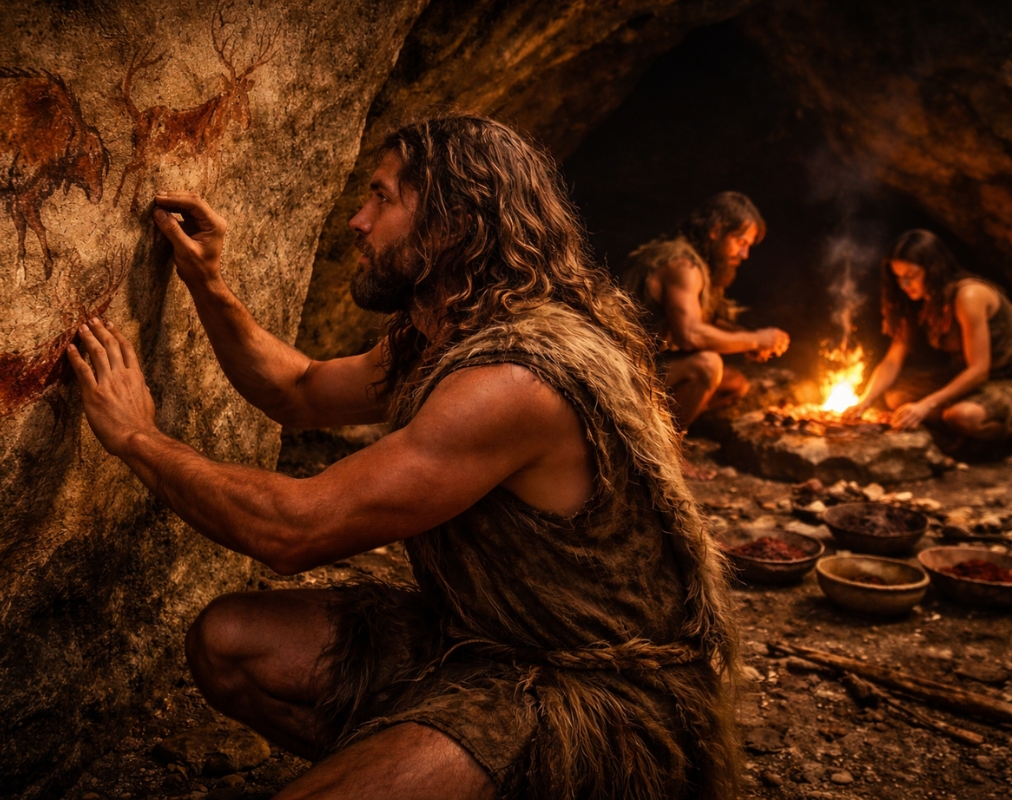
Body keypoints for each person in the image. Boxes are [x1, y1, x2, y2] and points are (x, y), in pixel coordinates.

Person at [66, 116, 740, 800]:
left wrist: (136, 438)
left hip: (593, 700)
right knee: (230, 642)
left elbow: (293, 531)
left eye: (383, 198)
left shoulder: (514, 380)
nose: (359, 222)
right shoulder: (446, 335)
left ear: (455, 221)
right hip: (479, 645)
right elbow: (299, 391)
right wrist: (204, 279)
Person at [621, 193, 790, 455]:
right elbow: (690, 334)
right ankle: (661, 454)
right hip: (622, 372)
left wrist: (747, 337)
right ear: (716, 231)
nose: (744, 254)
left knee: (734, 384)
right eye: (740, 242)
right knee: (707, 366)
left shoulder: (699, 264)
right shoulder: (683, 265)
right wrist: (758, 339)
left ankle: (646, 431)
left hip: (647, 367)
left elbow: (706, 320)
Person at [845, 229, 1012, 441]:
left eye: (911, 277)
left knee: (961, 415)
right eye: (898, 278)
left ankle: (997, 439)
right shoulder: (920, 301)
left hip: (1002, 380)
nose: (904, 285)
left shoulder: (969, 295)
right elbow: (892, 361)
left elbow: (979, 370)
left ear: (933, 269)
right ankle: (954, 428)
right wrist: (864, 401)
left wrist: (926, 405)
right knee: (897, 397)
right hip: (967, 379)